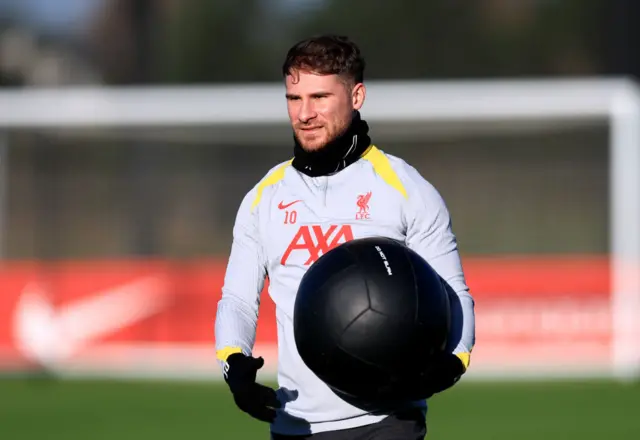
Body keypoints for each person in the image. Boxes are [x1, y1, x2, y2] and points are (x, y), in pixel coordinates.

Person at [214, 34, 476, 439]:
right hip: (294, 424)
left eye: (320, 97)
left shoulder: (406, 188)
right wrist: (234, 362)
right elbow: (237, 299)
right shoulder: (263, 197)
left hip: (387, 421)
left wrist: (454, 361)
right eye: (294, 98)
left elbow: (453, 291)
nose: (304, 113)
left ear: (356, 96)